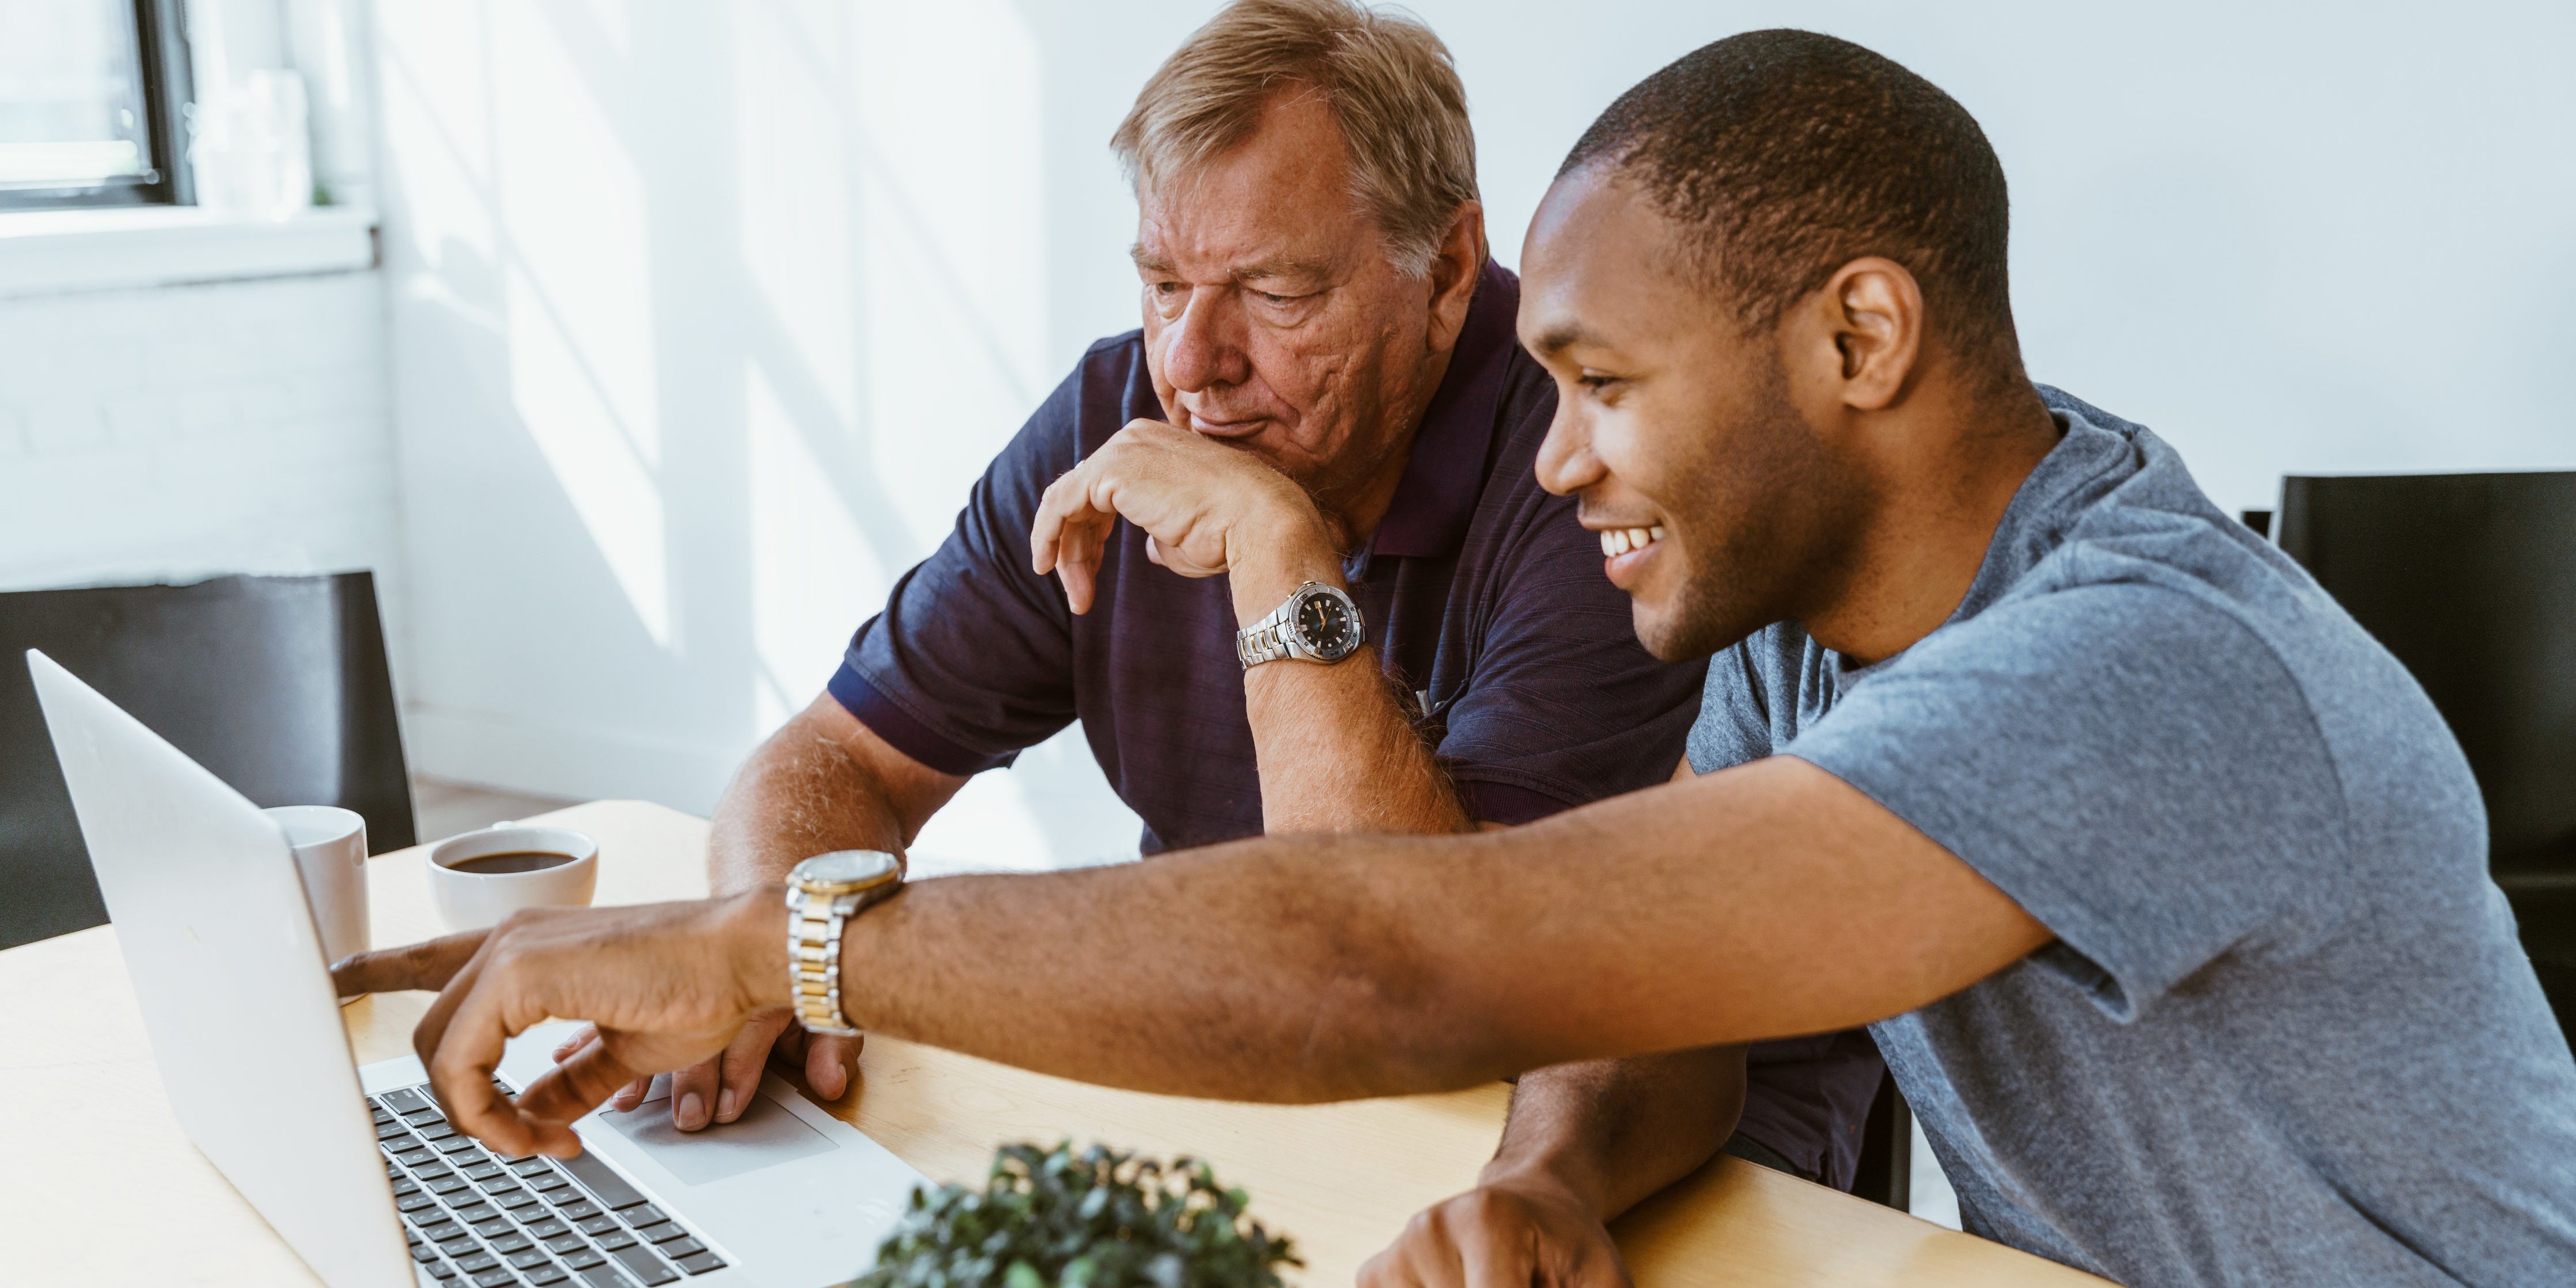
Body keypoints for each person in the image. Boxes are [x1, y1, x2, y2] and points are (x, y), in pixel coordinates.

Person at [336, 27, 2576, 1288]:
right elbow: (1655, 1010)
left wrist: (768, 944)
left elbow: (1402, 957)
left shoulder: (2134, 662)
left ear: (1856, 338)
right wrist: (1560, 1168)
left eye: (1601, 385)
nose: (1568, 459)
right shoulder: (1806, 636)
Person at [642, 0, 1879, 1203]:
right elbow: (831, 756)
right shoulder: (1119, 412)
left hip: (1643, 1143)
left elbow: (1428, 985)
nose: (1188, 364)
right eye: (1163, 282)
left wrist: (1277, 548)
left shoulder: (1595, 452)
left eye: (1275, 295)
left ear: (1447, 269)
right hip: (1260, 1073)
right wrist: (768, 954)